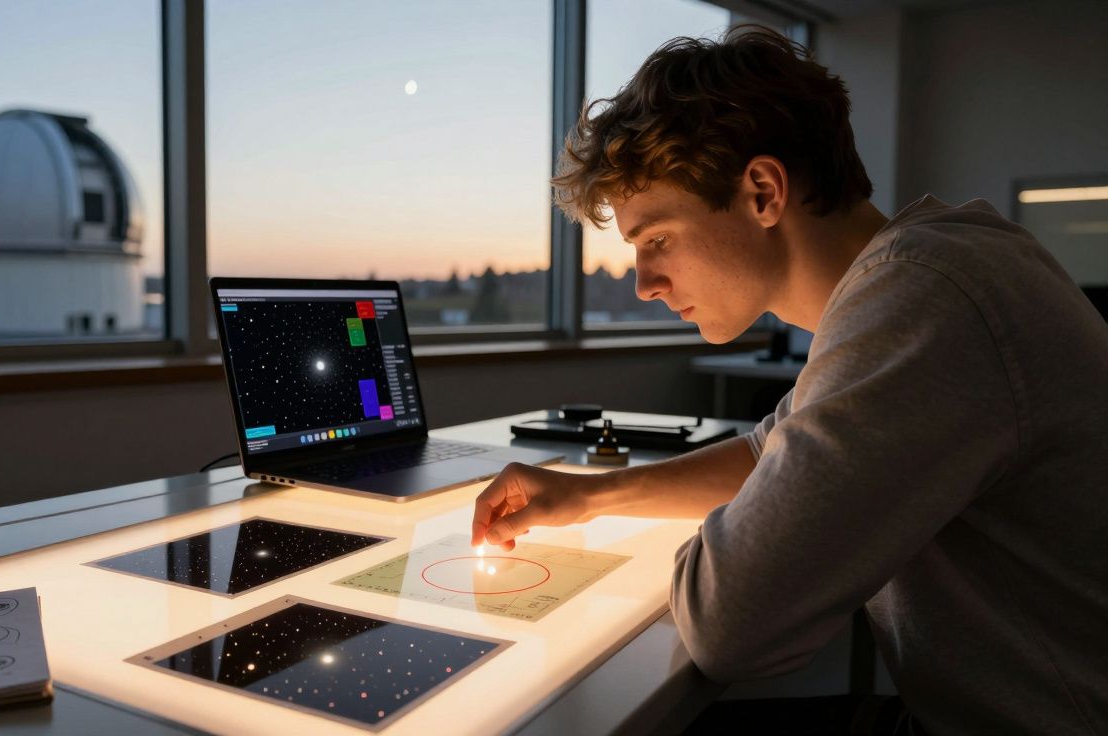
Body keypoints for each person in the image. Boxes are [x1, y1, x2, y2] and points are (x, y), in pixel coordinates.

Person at [470, 26, 1107, 735]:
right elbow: (763, 453)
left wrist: (707, 555)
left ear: (763, 192)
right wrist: (590, 497)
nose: (644, 283)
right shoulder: (930, 265)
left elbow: (730, 623)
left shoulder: (924, 298)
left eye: (657, 239)